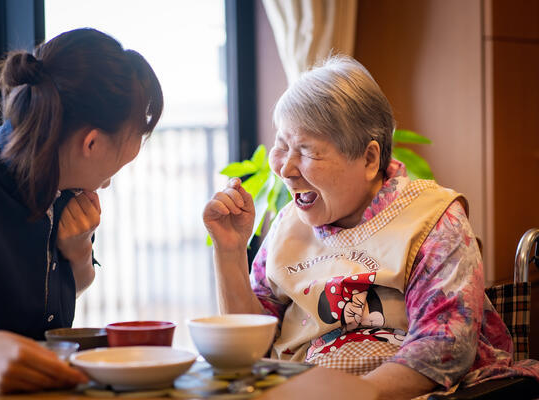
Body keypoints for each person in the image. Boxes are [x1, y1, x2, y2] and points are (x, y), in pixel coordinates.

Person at [203, 55, 538, 399]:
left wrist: (346, 395)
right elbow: (249, 347)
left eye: (306, 151)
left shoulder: (433, 218)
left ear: (369, 159)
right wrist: (229, 251)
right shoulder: (288, 225)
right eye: (282, 146)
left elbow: (442, 346)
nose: (286, 169)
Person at [0, 28, 163, 393]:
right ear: (90, 142)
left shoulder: (64, 182)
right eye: (130, 144)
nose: (118, 171)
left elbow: (70, 288)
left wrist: (79, 255)